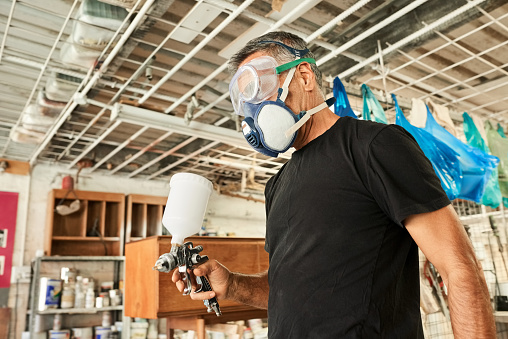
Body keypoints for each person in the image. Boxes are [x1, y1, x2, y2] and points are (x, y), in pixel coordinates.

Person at [172, 31, 496, 338]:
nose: (255, 109)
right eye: (247, 100)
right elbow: (289, 292)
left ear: (304, 76)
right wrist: (232, 285)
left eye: (261, 88)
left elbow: (460, 268)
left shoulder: (375, 146)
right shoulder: (277, 185)